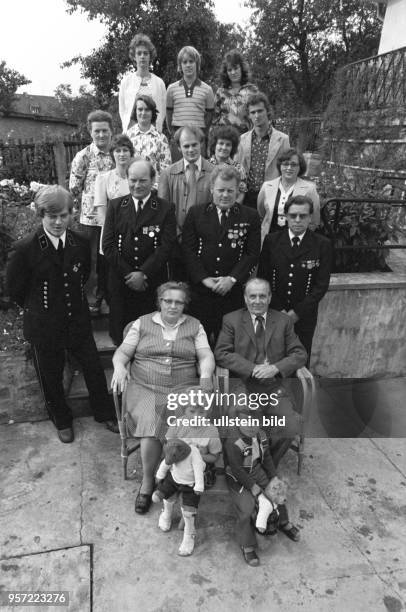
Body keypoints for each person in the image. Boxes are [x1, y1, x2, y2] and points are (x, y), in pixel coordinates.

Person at [6, 186, 118, 443]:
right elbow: (16, 290)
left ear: (72, 214)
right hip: (44, 324)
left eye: (64, 215)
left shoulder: (79, 242)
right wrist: (41, 309)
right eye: (51, 216)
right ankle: (62, 419)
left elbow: (84, 274)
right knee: (51, 374)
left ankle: (104, 413)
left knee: (92, 368)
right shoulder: (25, 249)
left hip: (76, 319)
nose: (58, 222)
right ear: (41, 215)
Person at [111, 281, 215, 515]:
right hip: (145, 387)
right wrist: (119, 366)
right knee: (151, 421)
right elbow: (123, 352)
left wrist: (206, 374)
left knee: (190, 420)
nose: (173, 306)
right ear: (159, 302)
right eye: (168, 301)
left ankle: (184, 473)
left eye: (179, 302)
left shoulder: (195, 326)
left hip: (183, 387)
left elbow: (205, 354)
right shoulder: (142, 323)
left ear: (184, 305)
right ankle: (148, 482)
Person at [214, 277, 307, 466]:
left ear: (270, 298)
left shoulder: (283, 321)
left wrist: (276, 368)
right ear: (245, 298)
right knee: (240, 420)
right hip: (242, 385)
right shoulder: (231, 320)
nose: (257, 301)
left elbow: (299, 353)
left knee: (289, 424)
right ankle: (242, 465)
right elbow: (221, 353)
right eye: (252, 296)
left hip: (273, 387)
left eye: (262, 296)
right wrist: (252, 368)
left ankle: (264, 464)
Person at [182, 165, 261, 344]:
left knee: (228, 344)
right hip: (200, 292)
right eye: (220, 190)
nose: (225, 195)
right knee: (198, 342)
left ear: (237, 190)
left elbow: (252, 253)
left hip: (231, 293)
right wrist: (204, 279)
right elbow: (188, 250)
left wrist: (232, 279)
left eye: (230, 190)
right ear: (211, 189)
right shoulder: (196, 213)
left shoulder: (250, 216)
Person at [102, 159, 176, 346]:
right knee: (121, 338)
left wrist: (143, 273)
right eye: (133, 180)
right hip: (121, 282)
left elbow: (166, 246)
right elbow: (108, 245)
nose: (137, 185)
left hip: (150, 282)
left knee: (152, 337)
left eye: (143, 180)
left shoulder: (165, 208)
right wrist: (130, 275)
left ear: (153, 180)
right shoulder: (115, 206)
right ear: (127, 179)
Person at [258, 196, 332, 358]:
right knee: (271, 356)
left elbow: (321, 285)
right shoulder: (272, 241)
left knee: (300, 356)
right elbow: (263, 278)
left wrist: (297, 313)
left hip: (305, 315)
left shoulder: (322, 244)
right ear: (285, 216)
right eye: (293, 215)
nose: (297, 220)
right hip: (274, 311)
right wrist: (279, 310)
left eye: (303, 216)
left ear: (310, 217)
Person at [224, 408, 299, 567]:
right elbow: (236, 469)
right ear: (237, 422)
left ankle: (283, 521)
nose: (251, 427)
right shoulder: (233, 442)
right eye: (246, 422)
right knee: (247, 507)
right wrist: (252, 486)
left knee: (277, 492)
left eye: (255, 422)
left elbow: (267, 459)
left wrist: (273, 477)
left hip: (257, 470)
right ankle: (247, 544)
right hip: (238, 478)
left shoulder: (261, 435)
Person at [69, 110, 114, 313]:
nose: (102, 135)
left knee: (109, 260)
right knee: (91, 260)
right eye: (97, 131)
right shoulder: (83, 156)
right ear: (90, 132)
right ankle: (92, 299)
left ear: (111, 131)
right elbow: (74, 188)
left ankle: (109, 295)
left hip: (113, 217)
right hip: (90, 219)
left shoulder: (117, 153)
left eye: (105, 130)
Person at [158, 125, 214, 279]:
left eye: (194, 145)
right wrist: (177, 234)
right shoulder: (168, 174)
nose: (191, 150)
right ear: (178, 147)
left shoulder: (214, 172)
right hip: (176, 241)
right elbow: (164, 210)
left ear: (201, 144)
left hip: (203, 241)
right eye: (186, 146)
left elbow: (215, 209)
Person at [236, 92, 290, 209]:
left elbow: (287, 169)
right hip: (247, 197)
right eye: (253, 112)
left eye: (260, 111)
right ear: (249, 115)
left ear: (267, 111)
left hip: (271, 196)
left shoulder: (283, 139)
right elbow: (237, 168)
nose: (257, 115)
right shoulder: (242, 139)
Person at [152, 438, 205, 556]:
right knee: (166, 494)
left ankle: (189, 533)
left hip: (190, 484)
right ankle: (166, 514)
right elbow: (166, 463)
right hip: (174, 478)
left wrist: (199, 486)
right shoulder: (172, 447)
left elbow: (198, 469)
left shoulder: (194, 452)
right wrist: (160, 475)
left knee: (189, 511)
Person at [257, 148, 320, 243]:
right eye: (285, 164)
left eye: (294, 164)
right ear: (280, 166)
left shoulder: (309, 189)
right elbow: (262, 212)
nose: (289, 168)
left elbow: (314, 220)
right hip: (268, 240)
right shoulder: (267, 186)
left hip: (296, 241)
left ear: (300, 167)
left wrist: (302, 238)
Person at [166, 46, 215, 151]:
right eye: (184, 62)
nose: (188, 65)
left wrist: (202, 134)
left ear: (197, 64)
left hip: (198, 139)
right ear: (180, 65)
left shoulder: (207, 90)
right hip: (178, 139)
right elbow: (169, 115)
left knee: (198, 167)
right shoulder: (171, 89)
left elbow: (209, 117)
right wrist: (174, 134)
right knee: (178, 167)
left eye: (191, 61)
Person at [119, 33, 166, 133]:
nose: (142, 56)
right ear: (134, 56)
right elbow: (123, 110)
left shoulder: (159, 83)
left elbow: (162, 110)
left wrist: (158, 128)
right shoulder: (126, 82)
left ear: (150, 56)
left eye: (145, 53)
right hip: (131, 133)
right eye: (139, 53)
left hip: (153, 132)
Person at [93, 134, 134, 241]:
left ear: (131, 153)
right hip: (113, 233)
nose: (122, 154)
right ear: (112, 154)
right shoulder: (103, 179)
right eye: (118, 151)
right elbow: (101, 214)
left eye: (125, 150)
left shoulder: (137, 178)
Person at [125, 94, 171, 184]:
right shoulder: (127, 137)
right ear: (135, 111)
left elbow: (166, 169)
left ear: (152, 113)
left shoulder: (161, 138)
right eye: (140, 109)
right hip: (130, 186)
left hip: (153, 187)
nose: (143, 113)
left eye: (147, 110)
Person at [212, 49, 258, 134]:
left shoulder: (252, 90)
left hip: (247, 138)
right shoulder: (221, 92)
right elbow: (214, 118)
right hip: (225, 140)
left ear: (242, 68)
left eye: (236, 68)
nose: (233, 72)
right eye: (229, 70)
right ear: (226, 73)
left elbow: (258, 115)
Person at [208, 125, 247, 203]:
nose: (224, 147)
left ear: (233, 147)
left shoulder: (238, 168)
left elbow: (241, 194)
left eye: (228, 144)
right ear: (214, 144)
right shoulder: (205, 164)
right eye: (221, 143)